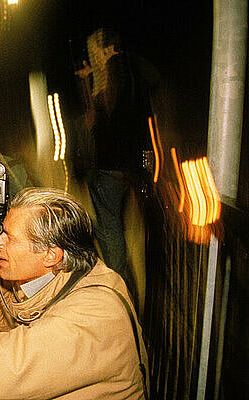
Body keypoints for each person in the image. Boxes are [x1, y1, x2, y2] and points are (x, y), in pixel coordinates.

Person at [0, 187, 148, 399]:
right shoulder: (62, 276)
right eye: (1, 231)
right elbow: (7, 321)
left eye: (9, 237)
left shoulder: (93, 318)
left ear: (50, 255)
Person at [75, 28, 157, 310]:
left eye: (94, 52)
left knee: (110, 235)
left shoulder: (114, 71)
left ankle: (123, 301)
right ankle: (130, 295)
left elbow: (95, 121)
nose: (92, 58)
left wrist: (87, 86)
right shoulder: (135, 72)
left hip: (108, 165)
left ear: (107, 49)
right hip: (128, 166)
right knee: (120, 231)